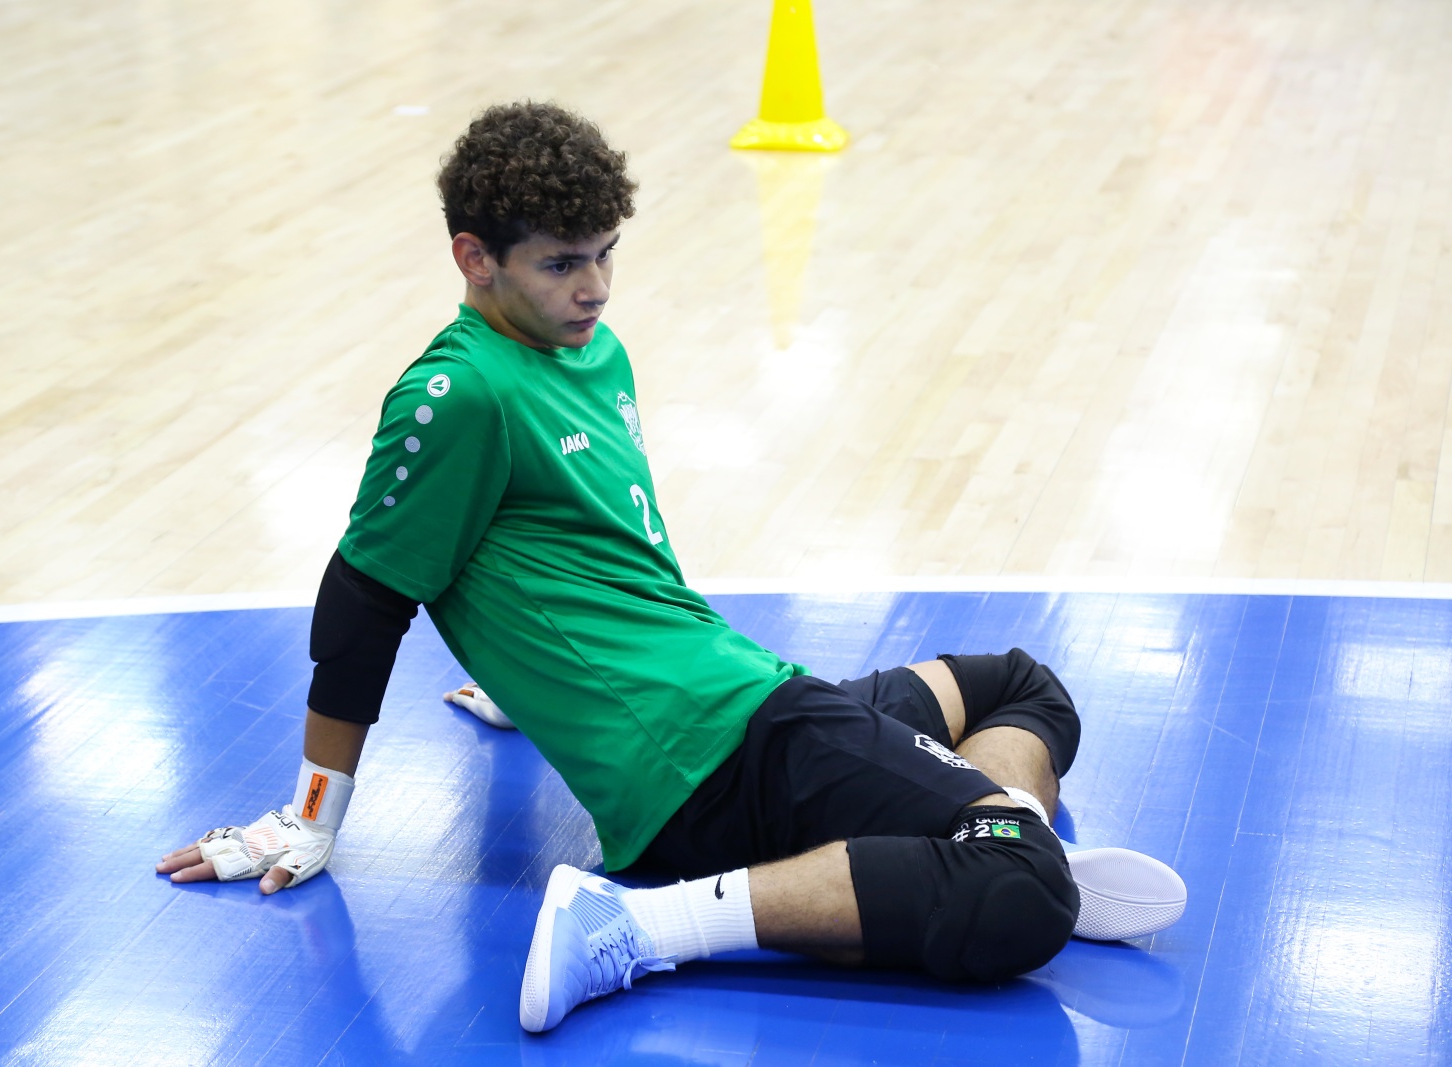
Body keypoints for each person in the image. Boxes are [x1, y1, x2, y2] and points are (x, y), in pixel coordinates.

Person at [157, 101, 1187, 1033]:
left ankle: (980, 828)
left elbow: (587, 548)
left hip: (739, 698)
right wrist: (311, 814)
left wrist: (524, 677)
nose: (595, 287)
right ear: (474, 257)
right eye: (562, 263)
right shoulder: (459, 394)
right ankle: (644, 924)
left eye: (606, 252)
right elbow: (363, 602)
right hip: (708, 760)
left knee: (1021, 685)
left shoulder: (594, 352)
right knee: (1025, 888)